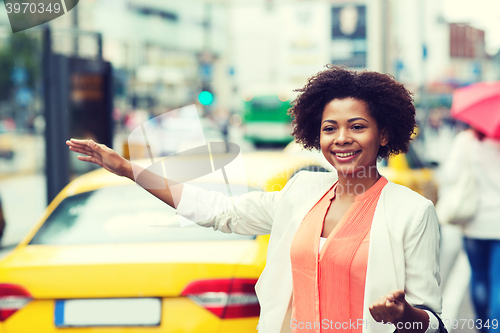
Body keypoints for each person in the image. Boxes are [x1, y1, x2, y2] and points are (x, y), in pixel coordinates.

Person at [66, 65, 443, 333]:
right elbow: (220, 212)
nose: (341, 138)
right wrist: (130, 169)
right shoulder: (301, 193)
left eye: (357, 126)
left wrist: (404, 315)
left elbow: (433, 321)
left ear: (383, 134)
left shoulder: (412, 212)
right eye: (330, 128)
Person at [439, 127, 500, 332]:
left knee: (479, 276)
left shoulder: (466, 140)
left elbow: (450, 174)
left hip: (475, 223)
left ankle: (483, 324)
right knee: (498, 282)